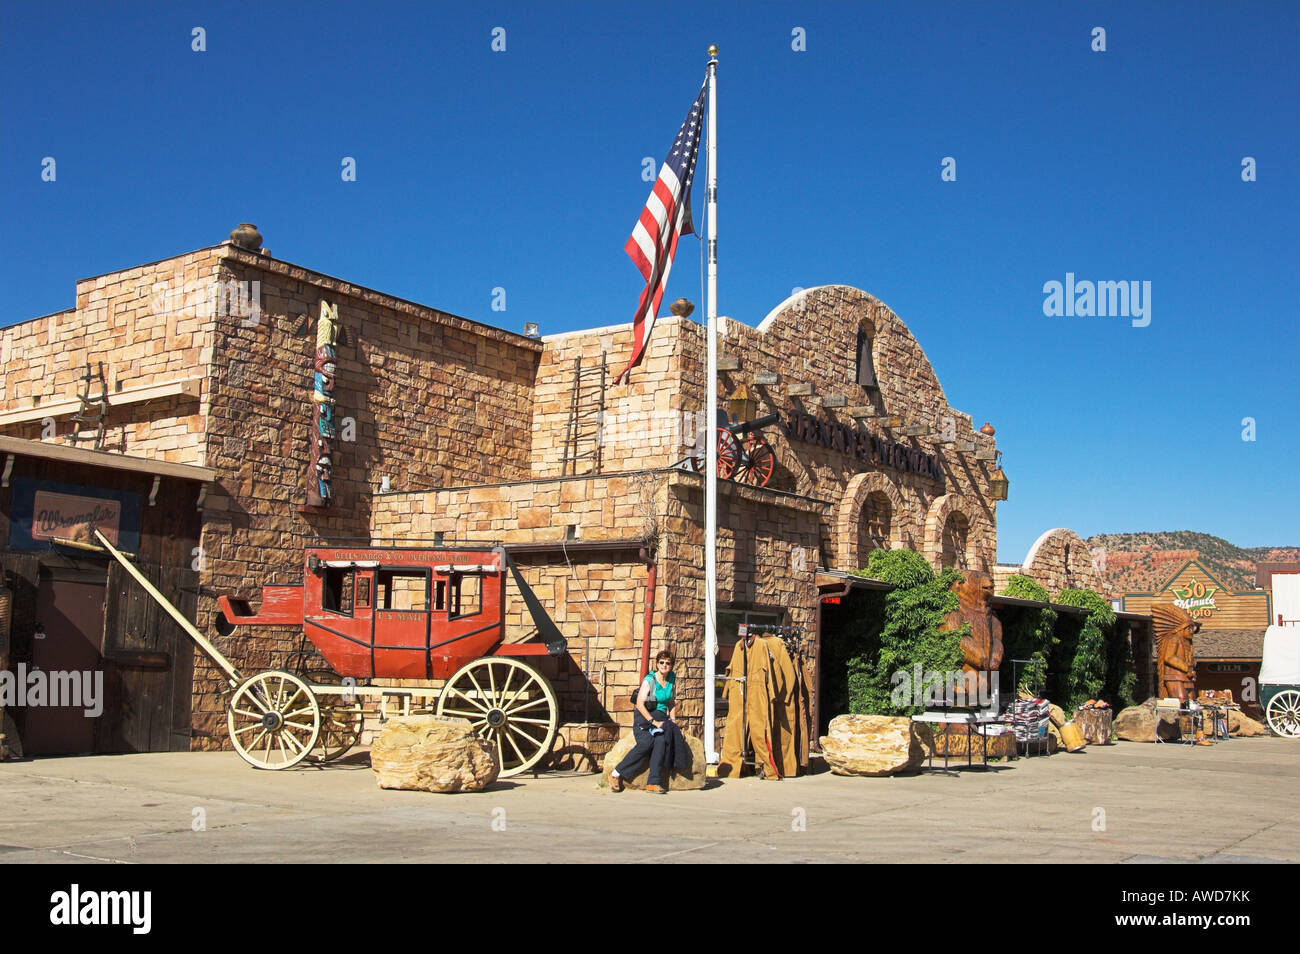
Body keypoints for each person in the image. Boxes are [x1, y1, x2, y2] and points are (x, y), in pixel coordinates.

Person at [609, 649, 678, 794]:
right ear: (656, 663)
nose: (664, 665)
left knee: (660, 741)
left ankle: (653, 782)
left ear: (671, 665)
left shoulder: (672, 678)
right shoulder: (650, 680)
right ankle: (616, 773)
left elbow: (671, 702)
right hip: (645, 717)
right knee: (647, 743)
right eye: (661, 662)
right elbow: (640, 704)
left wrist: (673, 721)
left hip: (660, 717)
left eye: (668, 663)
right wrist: (653, 722)